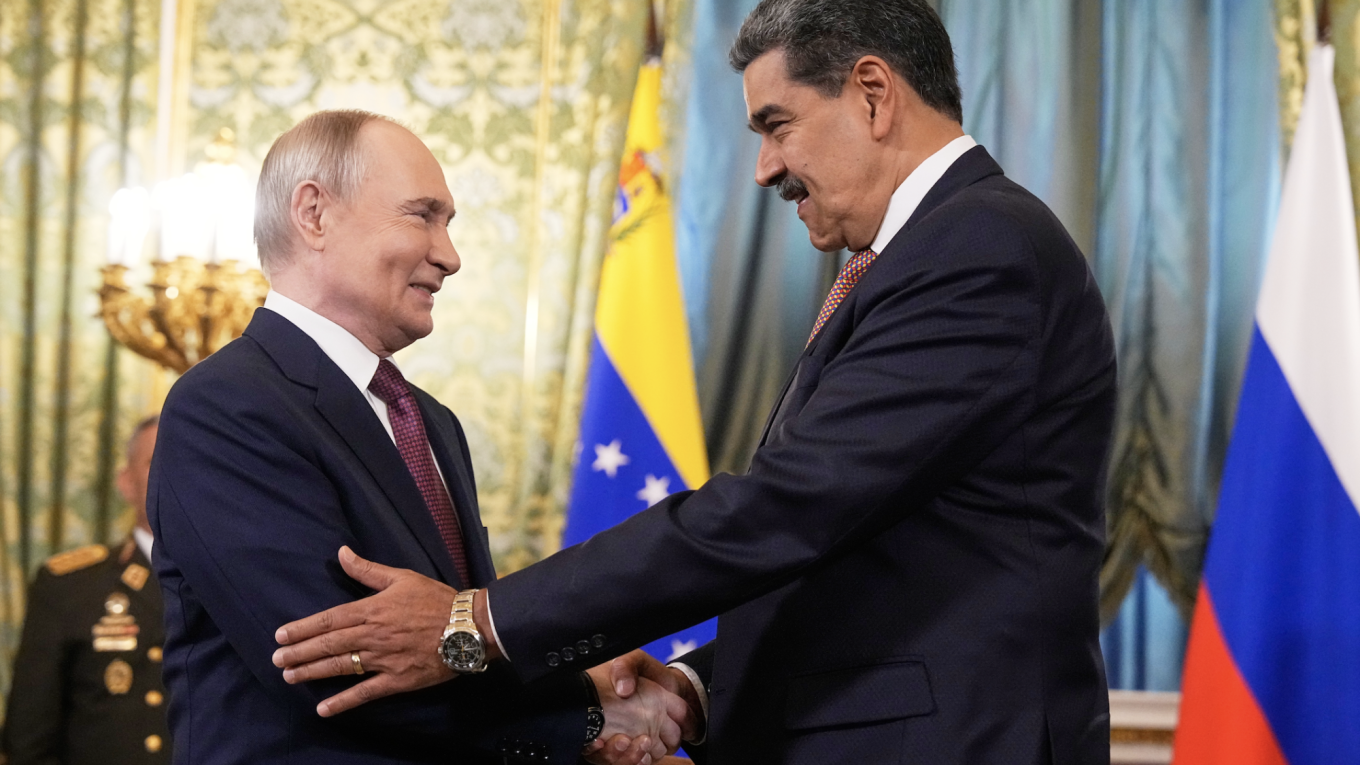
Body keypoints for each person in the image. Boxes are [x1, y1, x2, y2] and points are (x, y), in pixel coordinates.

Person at [272, 2, 1118, 763]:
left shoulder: (977, 248)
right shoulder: (923, 252)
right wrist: (694, 689)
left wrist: (480, 624)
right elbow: (869, 555)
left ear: (872, 93)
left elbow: (791, 508)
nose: (763, 168)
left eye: (777, 124)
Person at [148, 110, 690, 765]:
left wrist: (579, 703)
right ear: (314, 213)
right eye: (421, 215)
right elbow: (339, 669)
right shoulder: (228, 404)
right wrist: (587, 710)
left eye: (448, 222)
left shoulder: (430, 420)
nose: (449, 255)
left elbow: (444, 645)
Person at [3, 415, 171, 765]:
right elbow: (29, 740)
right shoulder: (71, 586)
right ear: (127, 483)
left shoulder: (243, 581)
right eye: (158, 461)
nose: (176, 474)